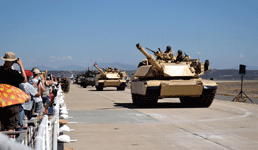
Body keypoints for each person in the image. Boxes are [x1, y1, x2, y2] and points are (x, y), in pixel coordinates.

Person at [0, 52, 26, 133]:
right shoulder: (14, 73)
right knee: (10, 128)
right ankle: (8, 144)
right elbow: (24, 79)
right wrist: (21, 65)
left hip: (1, 101)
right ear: (13, 62)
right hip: (12, 102)